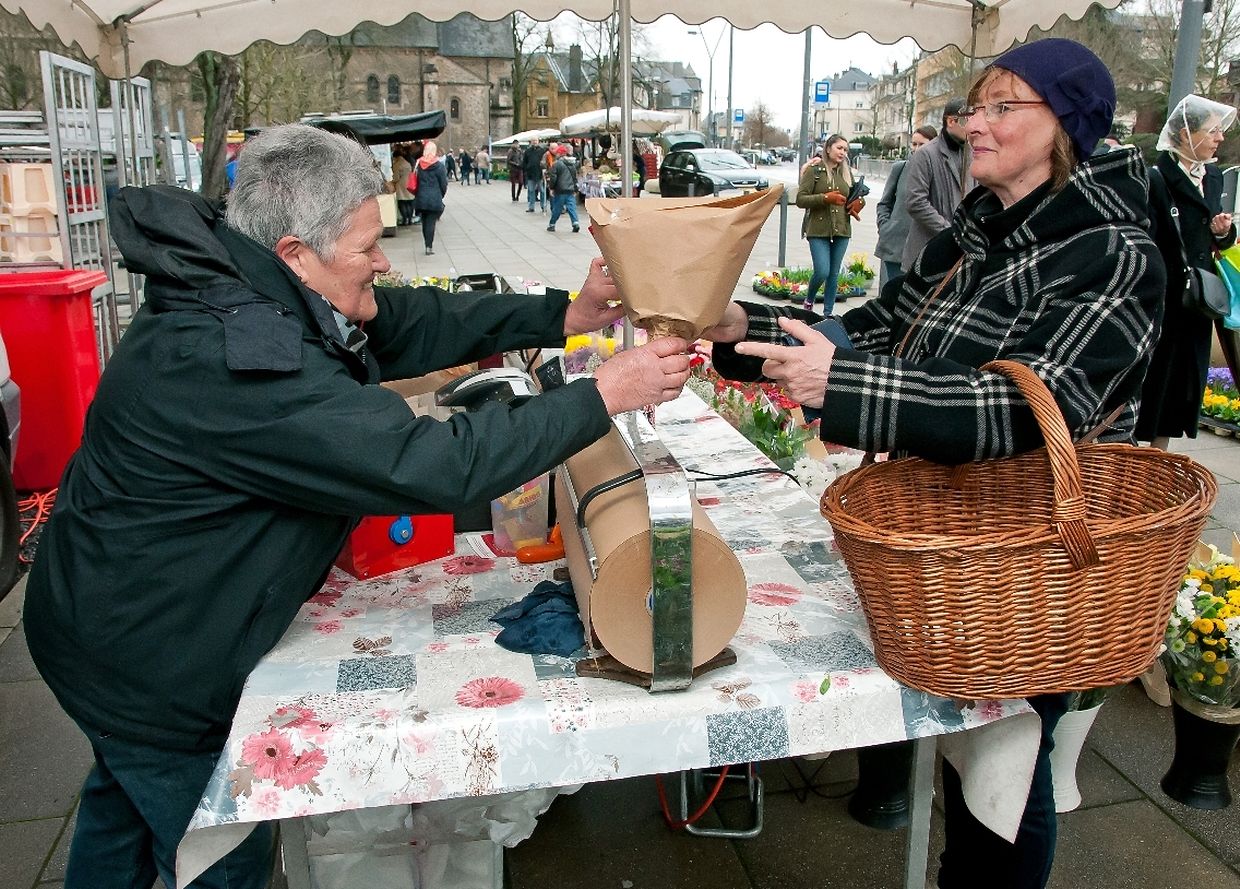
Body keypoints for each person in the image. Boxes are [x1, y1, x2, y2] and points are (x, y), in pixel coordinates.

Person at [23, 122, 692, 889]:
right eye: (366, 245)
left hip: (102, 625)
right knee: (220, 855)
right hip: (149, 660)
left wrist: (564, 315)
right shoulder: (236, 357)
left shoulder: (251, 283)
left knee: (122, 810)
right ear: (295, 253)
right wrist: (599, 395)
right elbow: (431, 463)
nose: (383, 260)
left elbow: (407, 320)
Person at [700, 39, 1164, 889]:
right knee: (958, 741)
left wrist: (842, 386)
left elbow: (1023, 410)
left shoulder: (1114, 253)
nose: (973, 124)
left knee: (1003, 765)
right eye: (974, 107)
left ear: (1064, 127)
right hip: (945, 540)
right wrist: (742, 329)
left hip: (1028, 554)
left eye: (1002, 107)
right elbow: (877, 327)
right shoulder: (975, 233)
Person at [1137, 94, 1237, 450]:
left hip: (1198, 300)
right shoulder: (1157, 178)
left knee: (1182, 386)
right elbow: (1145, 239)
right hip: (1165, 300)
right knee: (1155, 381)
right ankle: (1138, 457)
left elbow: (1213, 238)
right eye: (1212, 131)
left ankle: (1159, 458)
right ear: (1185, 135)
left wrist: (1223, 233)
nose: (1220, 137)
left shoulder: (1213, 176)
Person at [901, 97, 973, 272]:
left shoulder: (972, 153)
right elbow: (916, 202)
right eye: (968, 119)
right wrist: (950, 232)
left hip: (962, 253)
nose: (973, 125)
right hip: (928, 252)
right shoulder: (926, 154)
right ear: (951, 121)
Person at [795, 134, 864, 314]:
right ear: (828, 148)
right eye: (839, 148)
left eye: (845, 150)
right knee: (822, 271)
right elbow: (800, 199)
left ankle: (828, 313)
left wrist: (859, 203)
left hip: (842, 228)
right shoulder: (815, 171)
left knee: (834, 273)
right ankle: (809, 300)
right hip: (818, 229)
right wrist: (825, 198)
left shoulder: (846, 173)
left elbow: (855, 195)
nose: (843, 153)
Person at [874, 125, 936, 289]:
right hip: (895, 245)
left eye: (922, 144)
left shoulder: (939, 171)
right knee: (894, 295)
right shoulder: (900, 168)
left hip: (924, 247)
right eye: (914, 144)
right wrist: (885, 226)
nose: (917, 149)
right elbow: (884, 203)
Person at [413, 140, 449, 256]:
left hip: (421, 197)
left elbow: (415, 180)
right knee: (431, 223)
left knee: (424, 222)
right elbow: (443, 184)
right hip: (434, 197)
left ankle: (426, 243)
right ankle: (429, 246)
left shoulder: (419, 164)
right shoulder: (439, 166)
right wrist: (441, 194)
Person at [547, 143, 581, 233]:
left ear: (559, 154)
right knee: (572, 207)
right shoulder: (572, 163)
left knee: (557, 208)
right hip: (570, 190)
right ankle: (575, 223)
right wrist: (575, 189)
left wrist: (551, 188)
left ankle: (552, 224)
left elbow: (553, 178)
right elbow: (574, 177)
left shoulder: (556, 164)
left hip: (560, 190)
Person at [391, 147, 415, 226]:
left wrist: (392, 181)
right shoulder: (407, 163)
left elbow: (396, 177)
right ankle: (410, 219)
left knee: (402, 203)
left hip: (401, 185)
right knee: (409, 203)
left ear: (396, 157)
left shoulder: (397, 165)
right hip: (409, 184)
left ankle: (405, 219)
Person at [523, 139, 547, 213]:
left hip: (540, 174)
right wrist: (526, 169)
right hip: (530, 174)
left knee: (542, 191)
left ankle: (543, 206)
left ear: (538, 141)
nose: (534, 142)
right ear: (531, 142)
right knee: (531, 190)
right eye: (533, 141)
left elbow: (544, 161)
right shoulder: (527, 151)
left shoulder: (542, 151)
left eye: (536, 140)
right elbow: (524, 162)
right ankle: (531, 207)